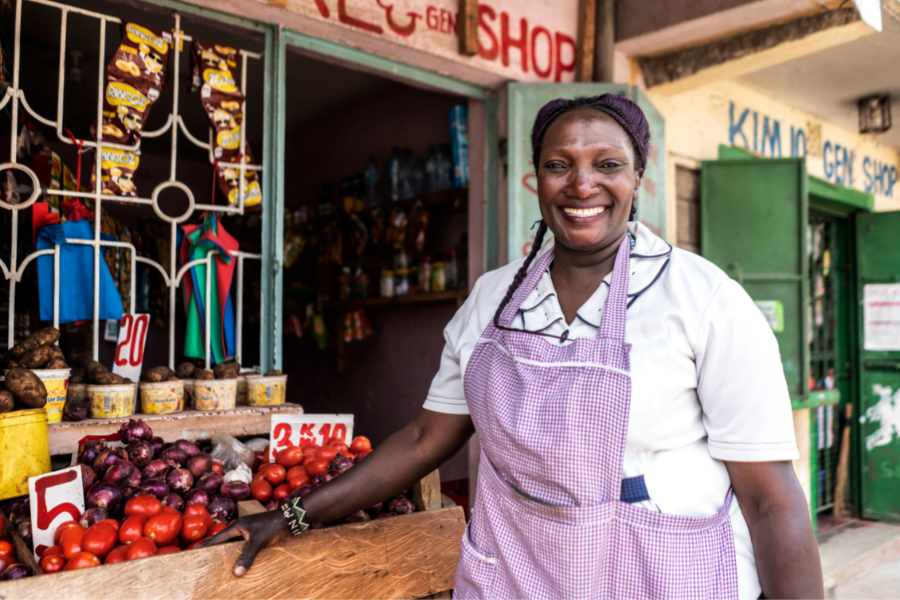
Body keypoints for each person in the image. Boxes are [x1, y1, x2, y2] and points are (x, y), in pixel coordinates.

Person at [201, 94, 823, 599]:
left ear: (639, 175)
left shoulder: (703, 300)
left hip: (662, 577)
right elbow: (424, 440)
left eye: (607, 164)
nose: (582, 184)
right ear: (536, 178)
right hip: (517, 575)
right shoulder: (493, 298)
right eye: (559, 165)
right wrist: (290, 516)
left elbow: (771, 499)